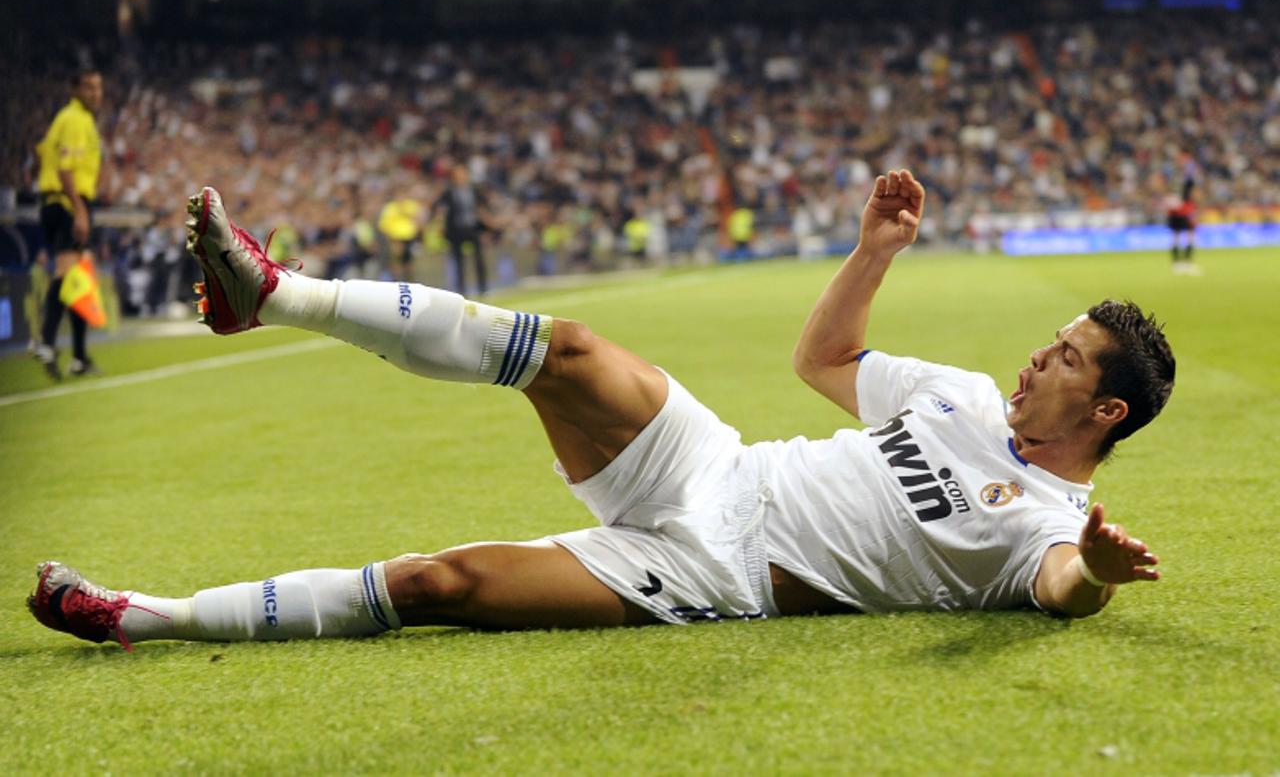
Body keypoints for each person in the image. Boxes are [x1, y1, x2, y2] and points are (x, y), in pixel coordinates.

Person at [29, 170, 1173, 651]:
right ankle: (268, 292)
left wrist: (1098, 574)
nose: (1037, 355)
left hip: (715, 576)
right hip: (718, 468)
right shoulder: (961, 397)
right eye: (1051, 337)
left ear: (1105, 408)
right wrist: (872, 252)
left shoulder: (1042, 524)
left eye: (1064, 357)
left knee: (437, 584)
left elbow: (1057, 592)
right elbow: (825, 356)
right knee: (564, 349)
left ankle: (144, 615)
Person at [33, 69, 105, 380]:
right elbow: (65, 169)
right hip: (67, 203)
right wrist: (79, 210)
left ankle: (78, 356)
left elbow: (46, 157)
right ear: (73, 89)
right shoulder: (76, 119)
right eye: (88, 87)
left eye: (98, 87)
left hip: (56, 202)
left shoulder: (68, 118)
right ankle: (46, 341)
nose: (95, 93)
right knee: (67, 272)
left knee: (80, 278)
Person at [431, 164, 492, 296]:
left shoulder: (473, 190)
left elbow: (481, 208)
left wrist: (487, 225)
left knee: (479, 259)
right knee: (459, 261)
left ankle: (483, 288)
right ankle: (462, 290)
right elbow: (440, 208)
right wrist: (440, 223)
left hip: (472, 228)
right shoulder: (449, 192)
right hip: (456, 230)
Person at [1166, 177, 1199, 275]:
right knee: (1183, 238)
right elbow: (1178, 207)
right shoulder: (1184, 195)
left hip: (1179, 217)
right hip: (1181, 217)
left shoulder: (1178, 194)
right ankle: (1182, 262)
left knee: (1180, 238)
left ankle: (1181, 263)